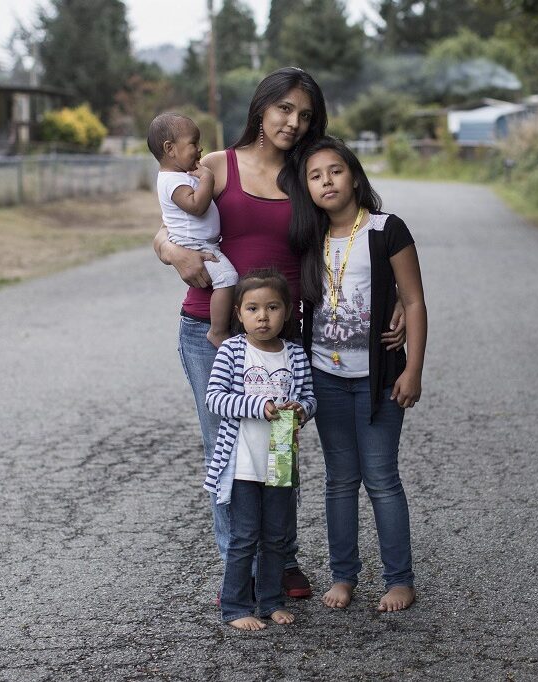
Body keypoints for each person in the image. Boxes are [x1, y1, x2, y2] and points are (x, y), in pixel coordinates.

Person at [154, 67, 330, 599]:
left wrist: (394, 300)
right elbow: (167, 228)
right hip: (211, 325)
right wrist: (175, 253)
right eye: (284, 110)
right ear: (261, 108)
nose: (293, 123)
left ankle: (282, 561)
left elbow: (355, 229)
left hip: (284, 334)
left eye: (305, 115)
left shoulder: (310, 174)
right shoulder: (215, 166)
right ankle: (242, 569)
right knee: (229, 449)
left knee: (279, 446)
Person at [289, 137, 428, 613]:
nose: (327, 181)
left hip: (379, 380)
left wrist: (413, 370)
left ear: (354, 176)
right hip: (325, 377)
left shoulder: (387, 229)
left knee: (382, 477)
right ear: (306, 189)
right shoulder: (308, 239)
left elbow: (413, 301)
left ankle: (400, 579)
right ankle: (343, 576)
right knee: (340, 480)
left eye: (335, 171)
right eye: (315, 175)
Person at [203, 269, 316, 630]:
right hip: (241, 464)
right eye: (253, 308)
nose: (263, 316)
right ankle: (236, 607)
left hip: (281, 458)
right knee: (244, 537)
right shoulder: (233, 350)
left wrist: (302, 410)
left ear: (287, 312)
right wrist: (259, 407)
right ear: (239, 313)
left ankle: (269, 602)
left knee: (276, 538)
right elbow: (215, 399)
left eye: (272, 307)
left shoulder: (295, 355)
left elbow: (310, 398)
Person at [147, 112, 236, 347]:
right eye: (193, 143)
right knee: (227, 278)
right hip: (195, 245)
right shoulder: (172, 181)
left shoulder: (180, 176)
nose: (200, 149)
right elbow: (196, 206)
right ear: (170, 148)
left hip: (202, 242)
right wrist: (207, 178)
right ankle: (217, 331)